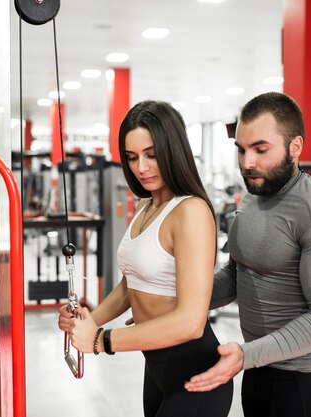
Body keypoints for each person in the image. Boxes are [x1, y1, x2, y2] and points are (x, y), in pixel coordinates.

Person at [184, 92, 311, 417]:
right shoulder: (254, 195)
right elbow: (237, 275)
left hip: (308, 382)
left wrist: (247, 354)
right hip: (260, 371)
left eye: (261, 150)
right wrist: (176, 304)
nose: (247, 162)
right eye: (241, 150)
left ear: (295, 147)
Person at [58, 100, 233, 417]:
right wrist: (89, 321)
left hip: (194, 373)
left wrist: (102, 340)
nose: (141, 168)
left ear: (173, 149)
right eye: (132, 157)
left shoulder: (190, 211)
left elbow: (192, 323)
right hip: (156, 367)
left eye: (151, 155)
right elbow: (130, 286)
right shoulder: (145, 207)